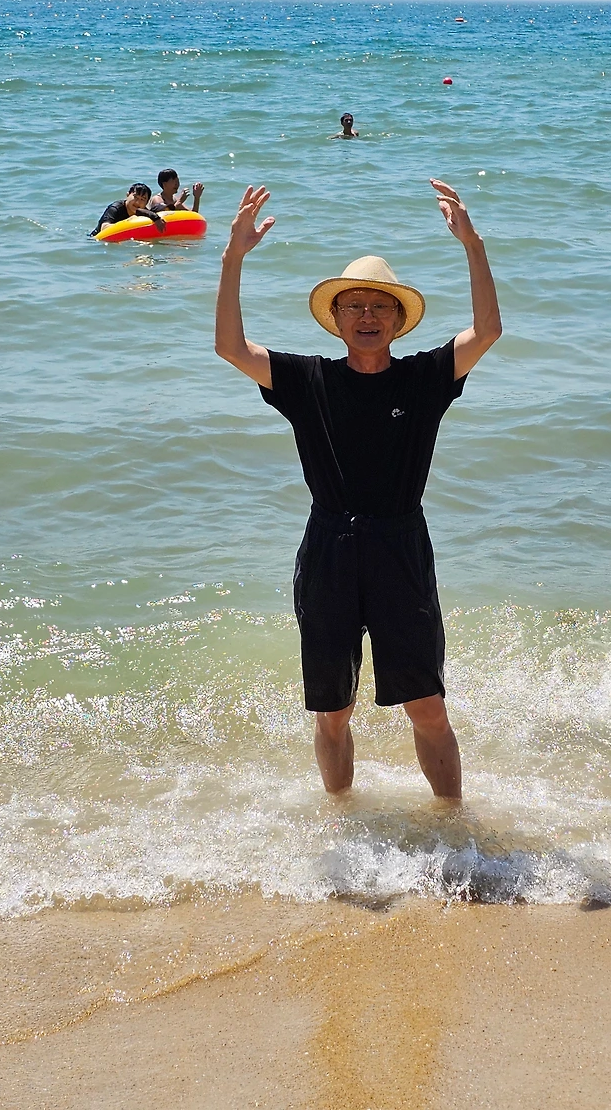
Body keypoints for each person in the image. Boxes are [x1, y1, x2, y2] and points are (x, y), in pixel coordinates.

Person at [214, 180, 502, 800]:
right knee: (332, 711)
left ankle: (453, 824)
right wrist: (233, 256)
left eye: (379, 307)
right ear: (336, 319)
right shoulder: (306, 379)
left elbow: (487, 330)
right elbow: (229, 347)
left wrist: (472, 245)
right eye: (354, 306)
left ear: (398, 320)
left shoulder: (425, 377)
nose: (367, 316)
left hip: (401, 547)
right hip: (330, 550)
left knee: (427, 706)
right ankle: (341, 820)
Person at [90, 184, 166, 237]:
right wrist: (128, 222)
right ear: (127, 195)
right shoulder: (115, 208)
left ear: (146, 203)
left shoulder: (144, 212)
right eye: (135, 197)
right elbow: (104, 228)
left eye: (142, 199)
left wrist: (156, 218)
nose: (137, 202)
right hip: (96, 240)